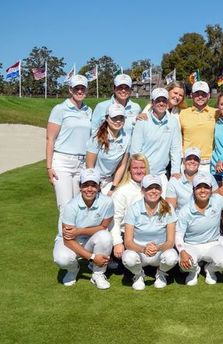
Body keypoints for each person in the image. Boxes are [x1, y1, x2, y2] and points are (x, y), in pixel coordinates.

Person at [52, 168, 114, 289]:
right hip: (71, 241)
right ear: (80, 186)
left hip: (91, 239)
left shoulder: (107, 202)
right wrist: (92, 257)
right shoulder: (70, 206)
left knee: (105, 236)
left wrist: (79, 231)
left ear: (99, 186)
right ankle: (73, 269)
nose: (89, 189)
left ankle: (98, 273)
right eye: (85, 185)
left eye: (93, 185)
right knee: (62, 259)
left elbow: (103, 227)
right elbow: (67, 240)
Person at [176, 173, 223, 286]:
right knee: (184, 263)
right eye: (199, 187)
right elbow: (178, 235)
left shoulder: (217, 200)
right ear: (193, 189)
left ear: (211, 189)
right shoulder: (185, 211)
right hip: (192, 244)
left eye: (206, 187)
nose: (203, 190)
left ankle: (209, 269)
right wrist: (182, 251)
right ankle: (194, 271)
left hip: (213, 244)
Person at [46, 75, 93, 219]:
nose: (79, 91)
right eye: (76, 88)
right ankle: (62, 241)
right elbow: (50, 139)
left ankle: (76, 240)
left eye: (82, 88)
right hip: (62, 162)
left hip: (82, 164)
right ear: (70, 90)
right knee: (65, 207)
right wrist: (49, 167)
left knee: (80, 205)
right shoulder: (60, 109)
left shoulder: (88, 111)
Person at [122, 175, 179, 290]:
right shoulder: (133, 208)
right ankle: (138, 274)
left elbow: (170, 241)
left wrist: (157, 248)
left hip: (160, 251)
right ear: (142, 190)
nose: (153, 191)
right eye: (149, 188)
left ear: (161, 190)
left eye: (157, 188)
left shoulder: (168, 208)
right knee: (128, 258)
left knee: (172, 257)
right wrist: (143, 249)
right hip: (139, 252)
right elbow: (127, 242)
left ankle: (161, 272)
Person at [129, 88, 182, 191]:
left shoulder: (173, 122)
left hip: (161, 174)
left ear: (167, 102)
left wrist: (175, 171)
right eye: (158, 100)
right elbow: (135, 152)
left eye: (164, 100)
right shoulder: (142, 121)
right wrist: (138, 173)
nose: (161, 103)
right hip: (143, 174)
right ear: (152, 103)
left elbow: (175, 149)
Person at [109, 153, 149, 265]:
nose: (139, 171)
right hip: (127, 234)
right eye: (135, 168)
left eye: (142, 167)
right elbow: (115, 219)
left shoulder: (153, 188)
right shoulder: (122, 191)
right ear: (129, 170)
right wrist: (117, 242)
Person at [86, 103, 130, 195]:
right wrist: (95, 186)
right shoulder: (97, 137)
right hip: (92, 180)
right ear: (107, 118)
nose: (118, 121)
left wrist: (113, 188)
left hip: (110, 181)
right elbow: (90, 165)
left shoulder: (127, 138)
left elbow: (122, 165)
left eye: (121, 118)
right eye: (114, 118)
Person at [178, 81, 217, 174]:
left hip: (208, 162)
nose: (200, 97)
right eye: (197, 94)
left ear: (208, 95)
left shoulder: (216, 113)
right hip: (188, 161)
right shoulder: (182, 113)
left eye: (203, 94)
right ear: (191, 95)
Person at [166, 147, 218, 213]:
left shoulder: (209, 177)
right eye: (189, 159)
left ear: (199, 162)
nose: (192, 161)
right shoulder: (174, 181)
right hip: (182, 221)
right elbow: (170, 210)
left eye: (196, 159)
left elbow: (217, 202)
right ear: (184, 161)